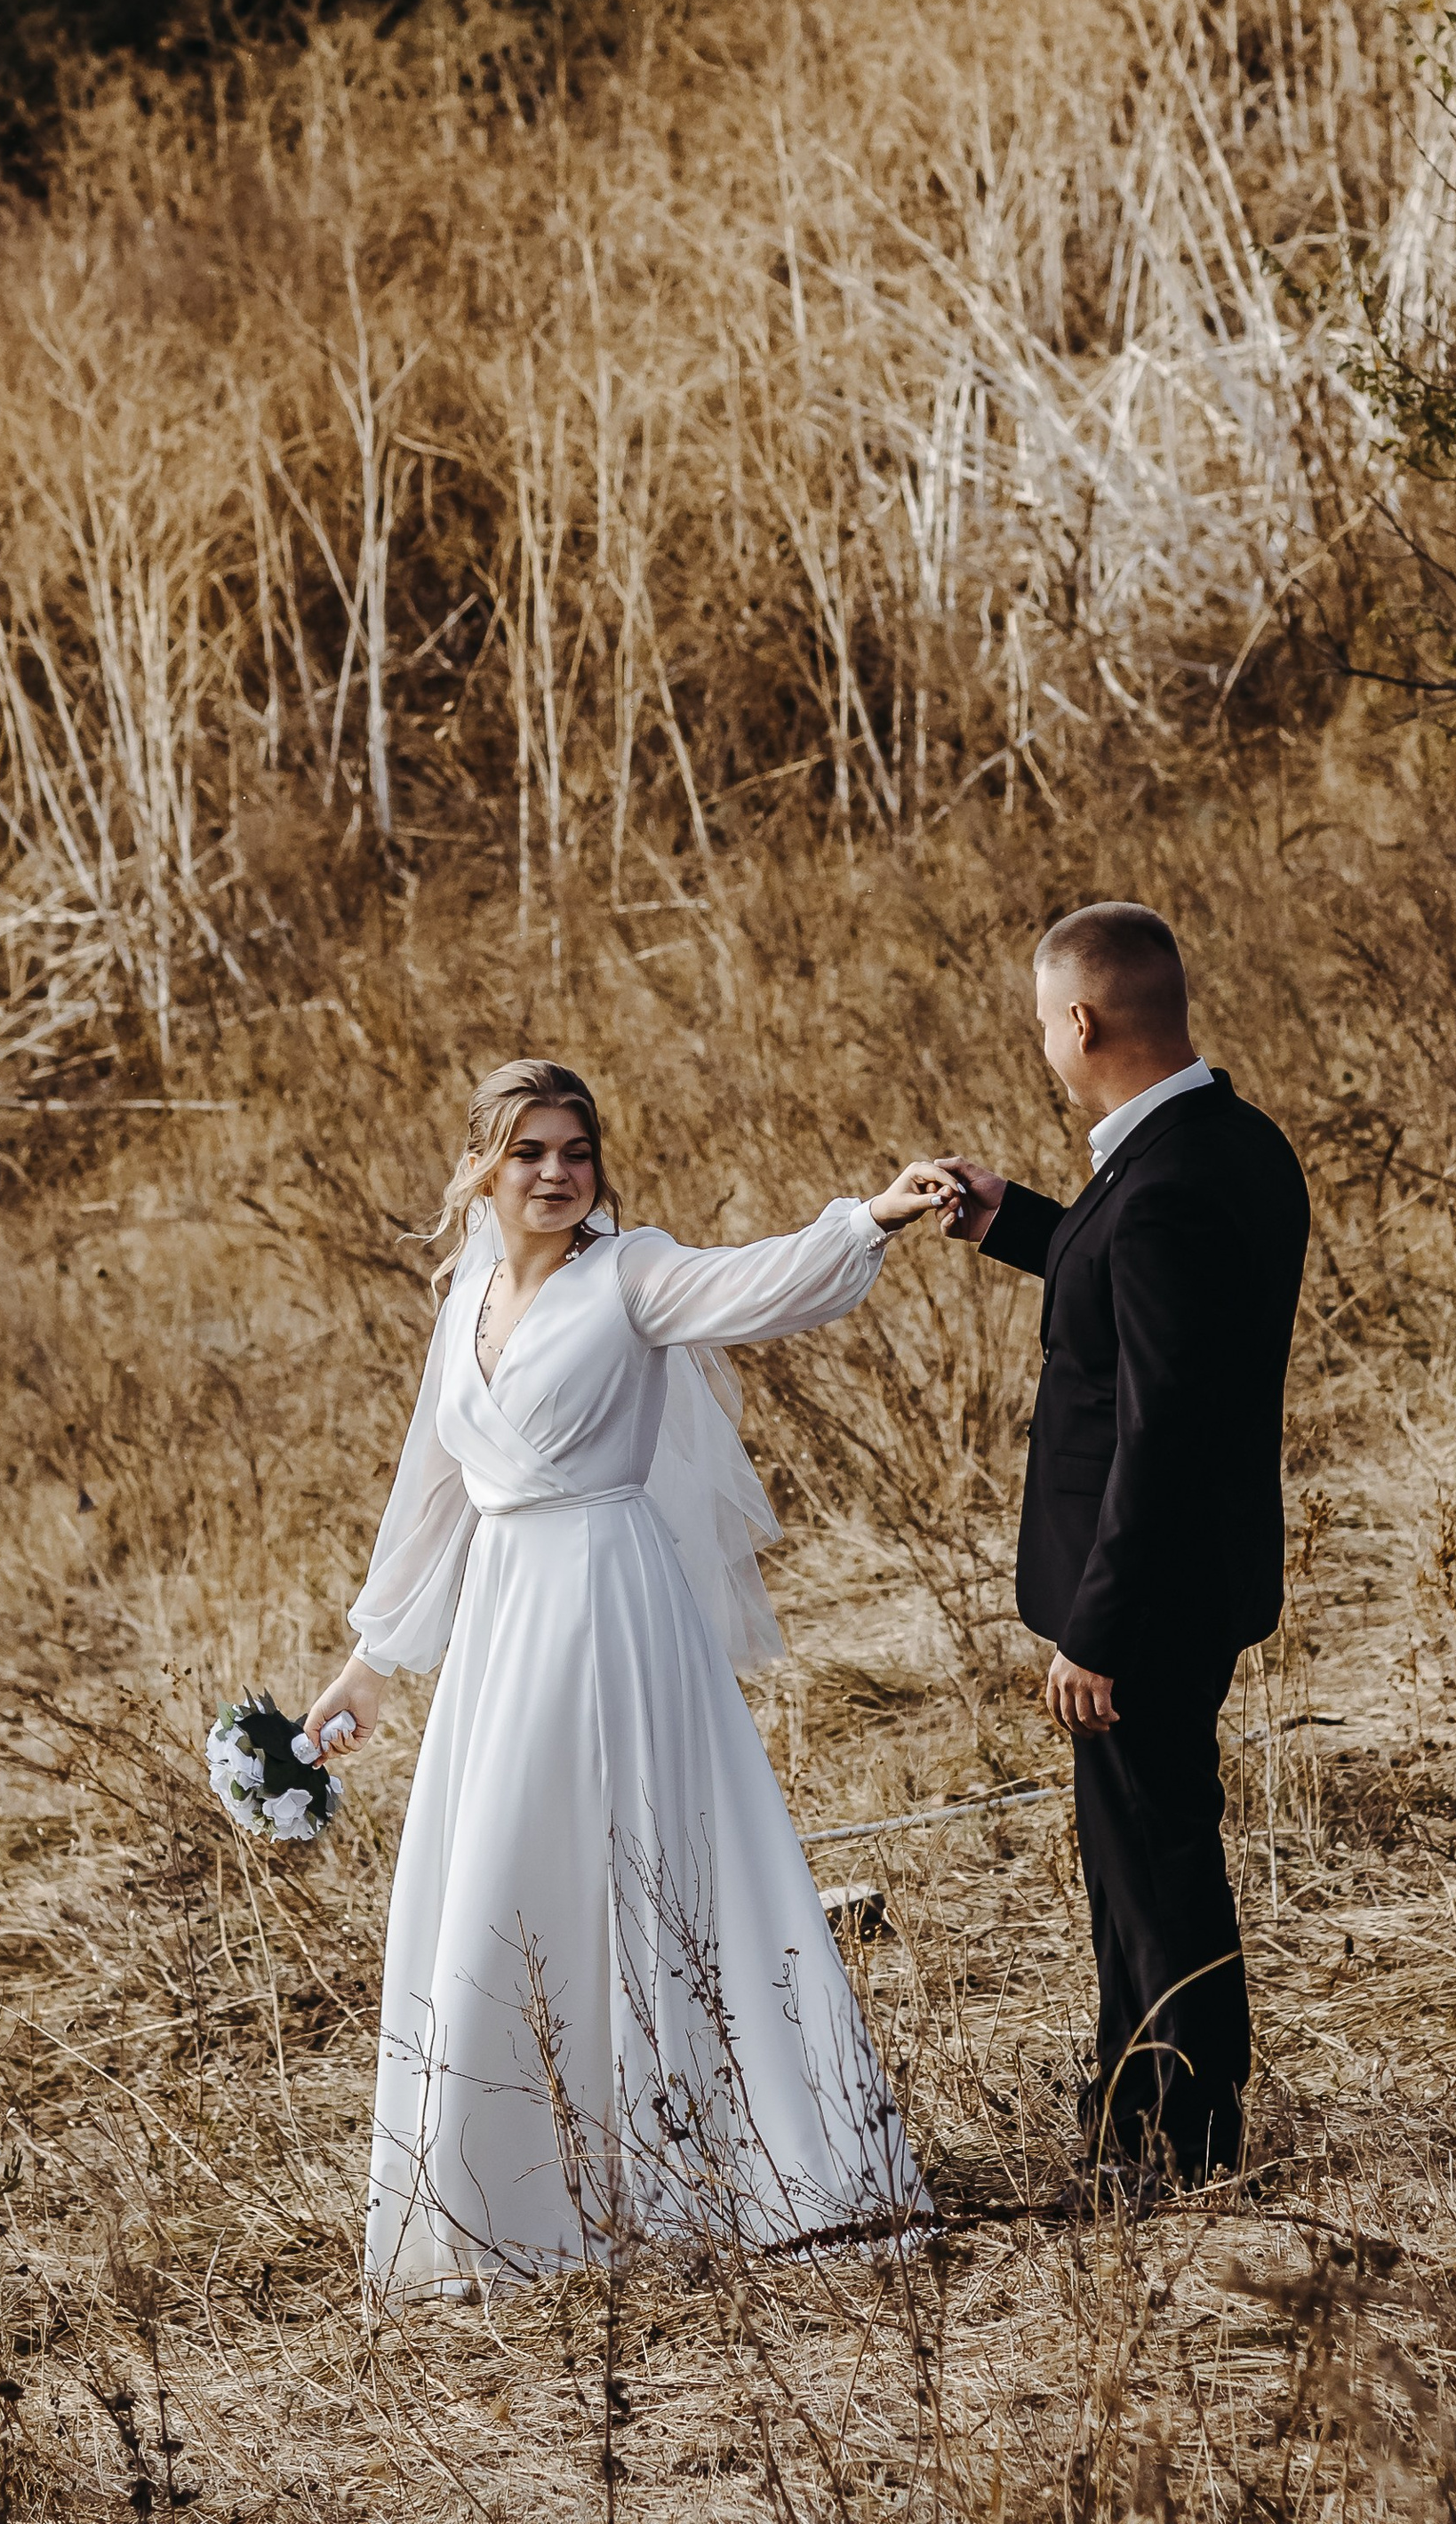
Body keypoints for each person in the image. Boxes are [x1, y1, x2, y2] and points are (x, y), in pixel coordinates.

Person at [304, 1058, 961, 2301]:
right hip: (505, 1620)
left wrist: (870, 1217)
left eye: (577, 1150)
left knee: (644, 1861)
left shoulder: (632, 1274)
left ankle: (725, 2167)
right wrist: (370, 1665)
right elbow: (432, 1494)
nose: (557, 1173)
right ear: (482, 1168)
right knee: (505, 1868)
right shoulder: (466, 1299)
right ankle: (512, 2195)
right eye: (530, 1152)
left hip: (611, 1599)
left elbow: (759, 1281)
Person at [940, 903, 1308, 2184]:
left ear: (1083, 1022)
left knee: (1154, 1873)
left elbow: (1162, 1430)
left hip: (1146, 1597)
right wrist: (1015, 1221)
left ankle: (1177, 2146)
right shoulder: (1225, 1144)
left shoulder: (1161, 1187)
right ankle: (1138, 2122)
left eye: (1046, 1021)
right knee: (1145, 1860)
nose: (1045, 1042)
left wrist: (1097, 1628)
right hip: (1193, 1576)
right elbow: (1143, 1290)